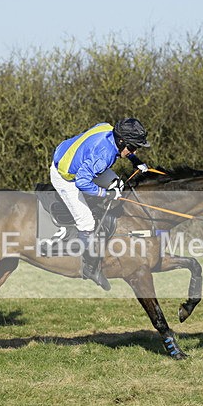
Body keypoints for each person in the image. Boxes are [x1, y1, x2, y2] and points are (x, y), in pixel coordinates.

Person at [50, 118, 151, 290]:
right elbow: (82, 182)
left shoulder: (108, 129)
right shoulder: (103, 156)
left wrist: (135, 160)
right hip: (66, 177)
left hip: (78, 160)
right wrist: (105, 194)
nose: (134, 150)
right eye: (133, 147)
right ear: (121, 141)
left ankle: (102, 224)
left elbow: (106, 153)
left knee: (118, 185)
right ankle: (89, 267)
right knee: (87, 222)